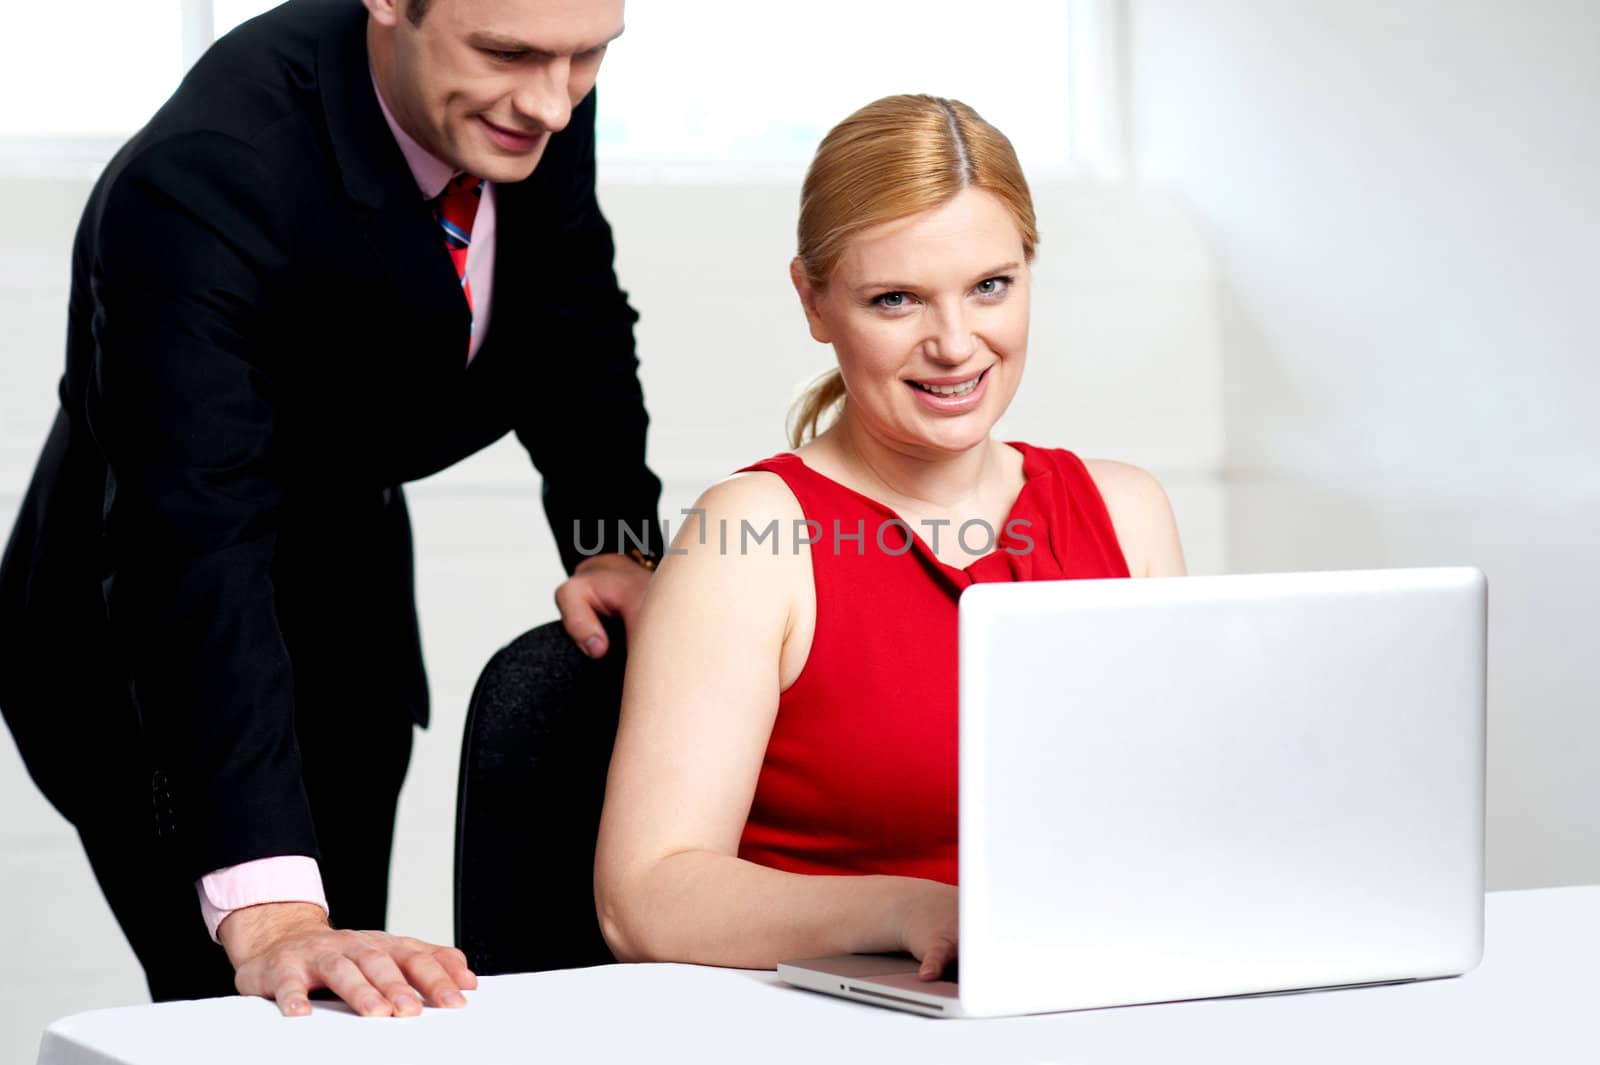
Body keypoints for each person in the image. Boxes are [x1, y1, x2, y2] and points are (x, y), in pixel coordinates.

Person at [0, 0, 663, 1018]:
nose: (552, 103)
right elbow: (194, 542)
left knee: (365, 982)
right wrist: (272, 914)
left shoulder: (525, 87)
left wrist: (613, 545)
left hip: (344, 583)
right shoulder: (207, 175)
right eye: (510, 54)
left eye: (589, 58)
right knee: (248, 1002)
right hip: (145, 635)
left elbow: (571, 308)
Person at [593, 94, 1186, 979]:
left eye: (991, 286)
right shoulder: (752, 534)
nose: (955, 343)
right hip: (847, 1014)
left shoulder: (1126, 511)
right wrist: (911, 908)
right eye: (896, 299)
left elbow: (1178, 818)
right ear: (815, 300)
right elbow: (644, 897)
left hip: (1102, 990)